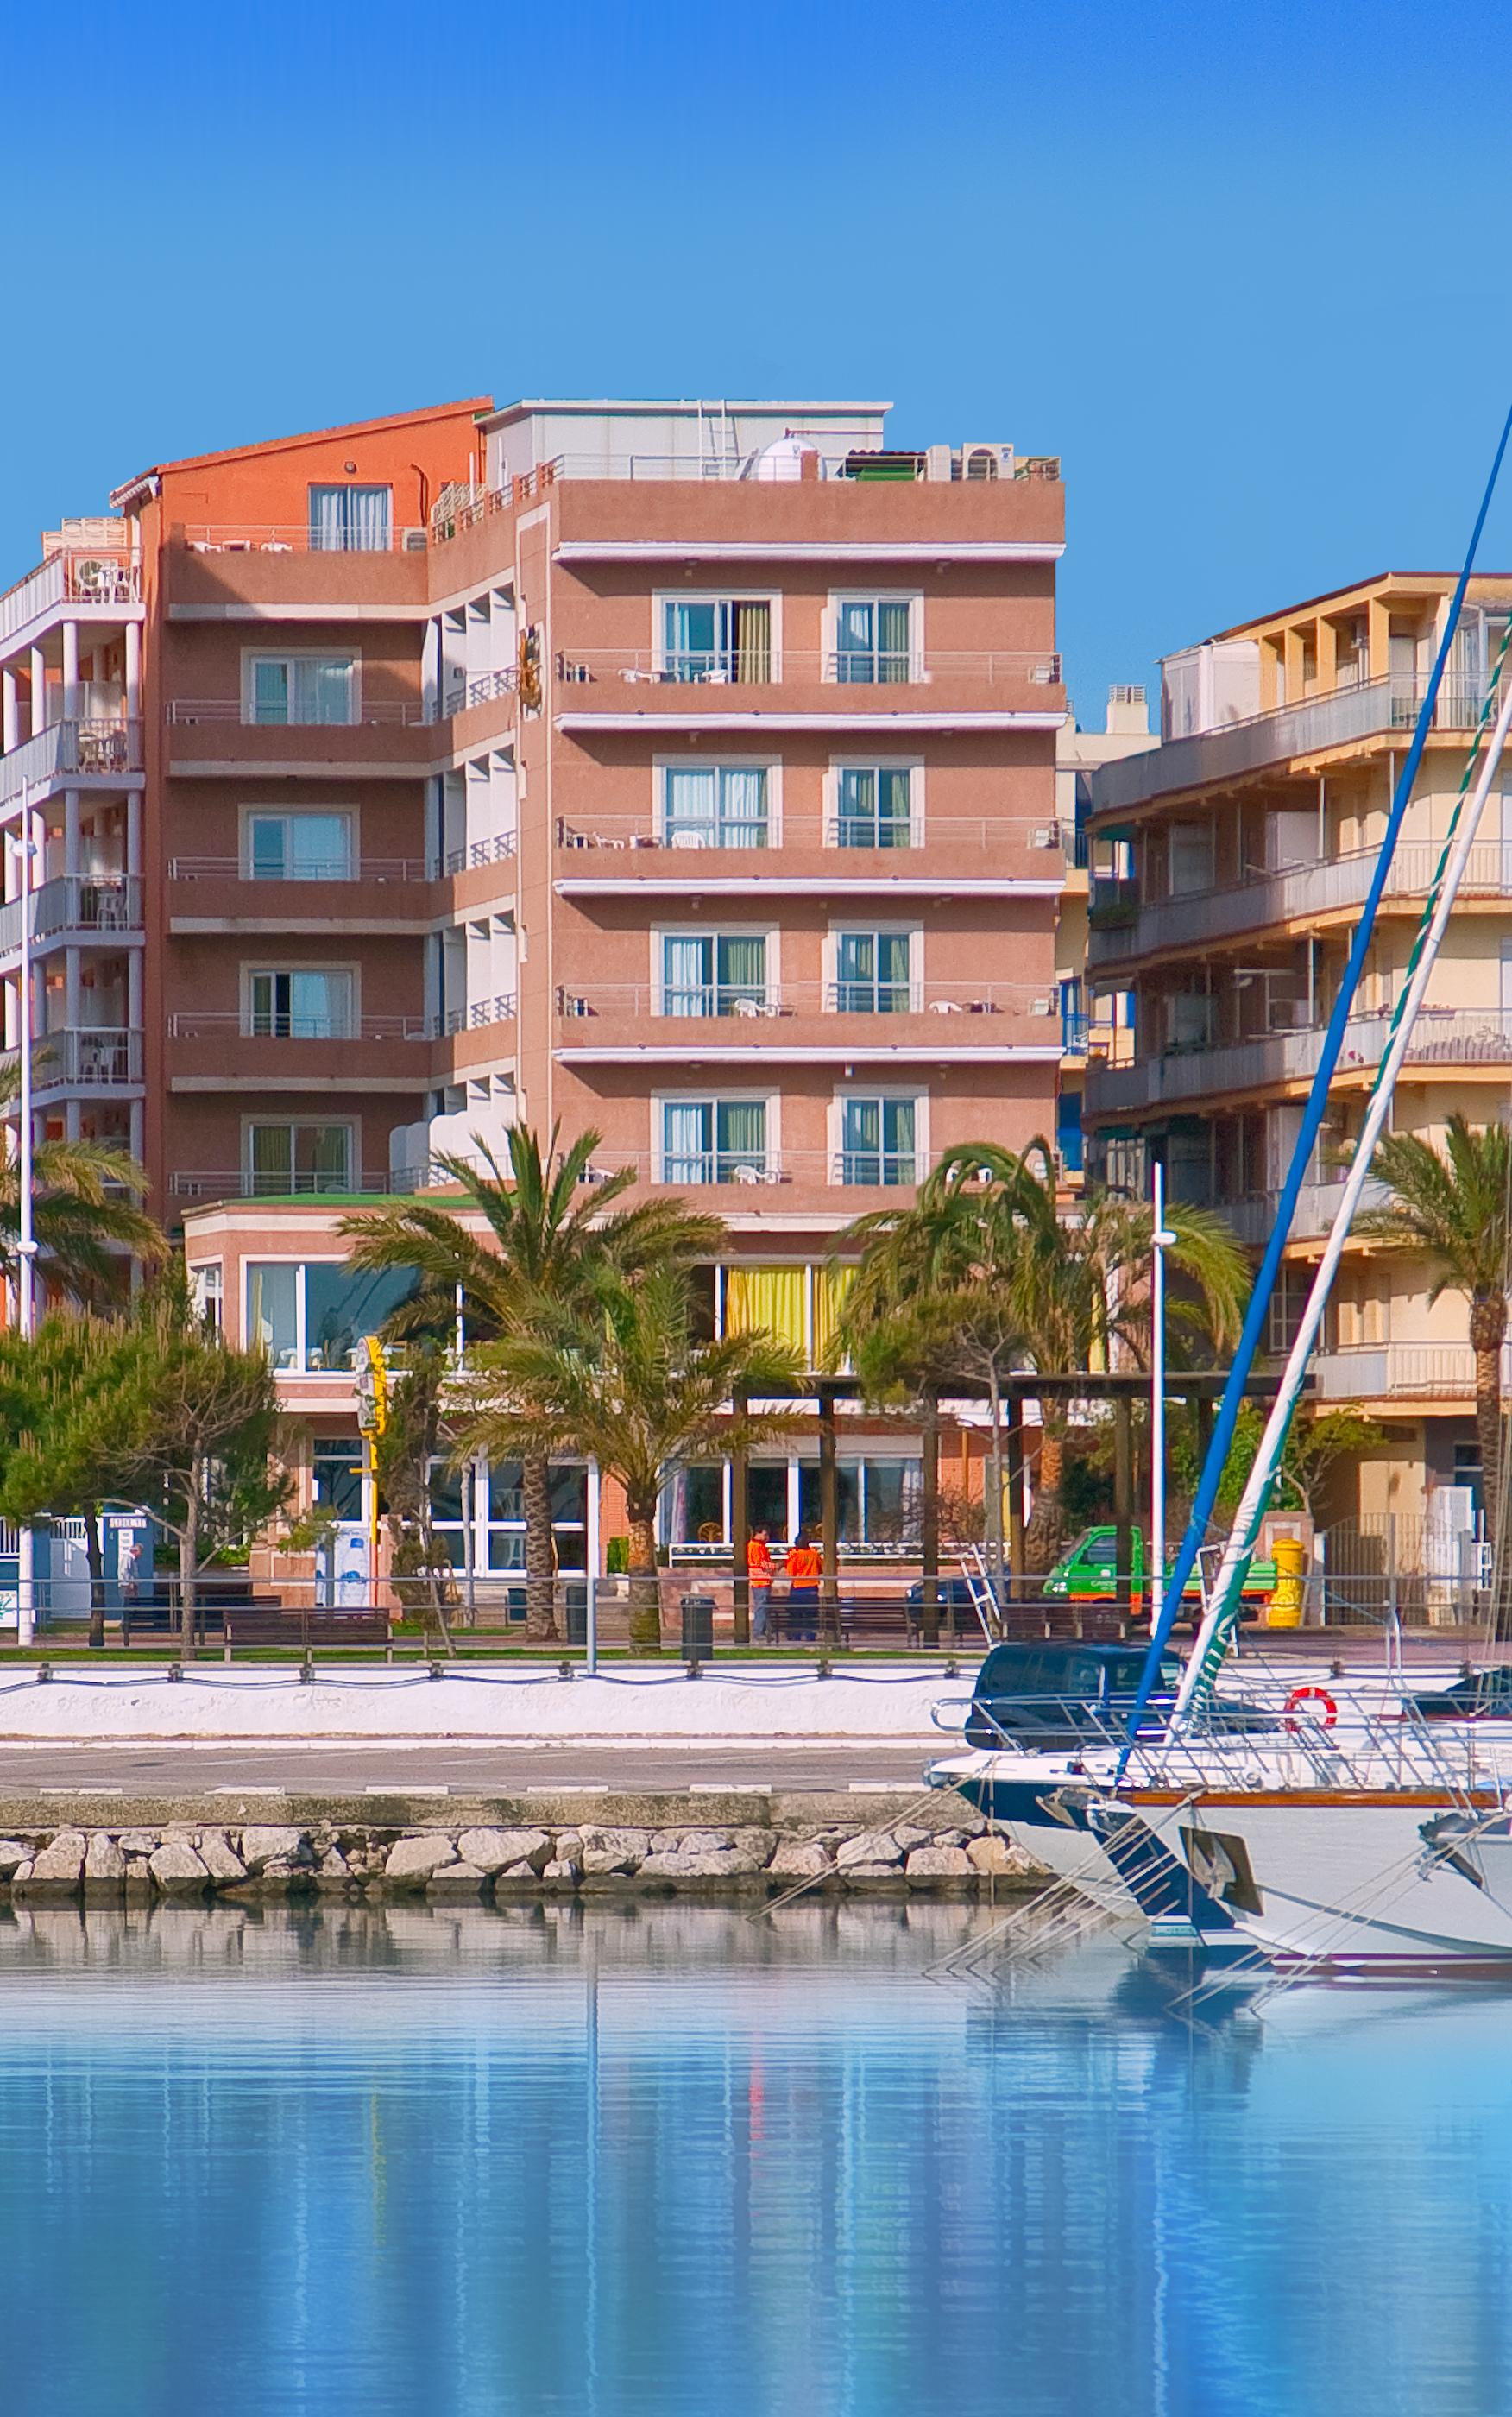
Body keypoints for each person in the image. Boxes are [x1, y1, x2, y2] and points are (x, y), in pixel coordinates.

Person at [784, 1529, 822, 1643]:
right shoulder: (814, 1554)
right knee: (811, 1614)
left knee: (796, 1614)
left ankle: (796, 1635)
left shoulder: (794, 1555)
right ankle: (810, 1636)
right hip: (812, 1587)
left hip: (798, 1587)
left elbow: (790, 1572)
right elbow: (821, 1568)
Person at [747, 1525, 773, 1642]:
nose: (767, 1537)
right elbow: (760, 1563)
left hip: (763, 1580)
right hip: (759, 1581)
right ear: (758, 1533)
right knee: (761, 1606)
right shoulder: (755, 1546)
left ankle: (764, 1630)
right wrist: (775, 1566)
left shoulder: (760, 1546)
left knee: (764, 1606)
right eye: (765, 1534)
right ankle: (759, 1631)